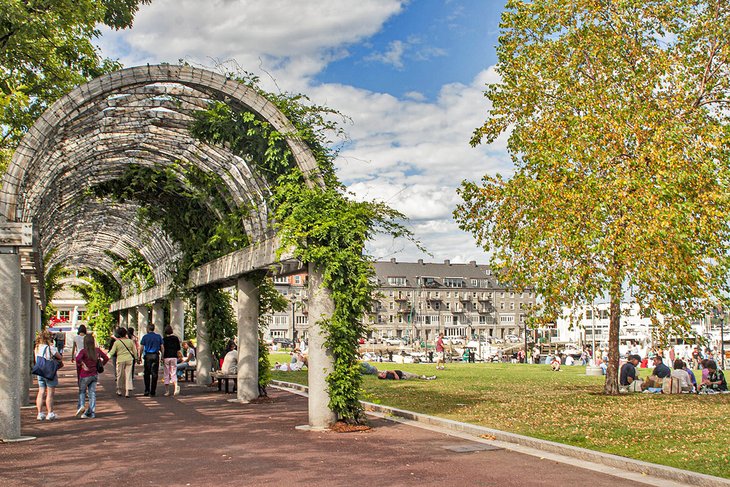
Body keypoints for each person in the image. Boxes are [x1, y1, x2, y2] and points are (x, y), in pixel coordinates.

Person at [75, 334, 109, 418]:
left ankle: (81, 407)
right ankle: (92, 412)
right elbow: (106, 358)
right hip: (94, 374)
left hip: (84, 374)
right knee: (92, 393)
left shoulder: (83, 351)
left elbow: (77, 359)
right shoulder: (97, 350)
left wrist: (83, 364)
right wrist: (101, 365)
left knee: (82, 391)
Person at [33, 330, 63, 421]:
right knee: (50, 393)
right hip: (49, 372)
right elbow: (59, 357)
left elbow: (36, 359)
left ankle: (40, 413)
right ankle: (50, 413)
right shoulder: (50, 348)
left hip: (40, 371)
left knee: (41, 391)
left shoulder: (37, 347)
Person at [107, 327, 138, 397]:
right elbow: (134, 351)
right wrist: (136, 358)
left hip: (120, 359)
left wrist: (106, 357)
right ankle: (127, 391)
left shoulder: (117, 342)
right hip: (129, 359)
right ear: (125, 333)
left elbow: (112, 352)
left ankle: (119, 390)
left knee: (120, 375)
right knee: (128, 375)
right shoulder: (130, 341)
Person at [139, 324, 163, 396]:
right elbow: (162, 347)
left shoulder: (145, 337)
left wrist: (139, 356)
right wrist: (162, 356)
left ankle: (147, 390)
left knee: (146, 373)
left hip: (148, 356)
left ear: (148, 329)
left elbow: (142, 348)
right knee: (154, 373)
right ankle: (153, 391)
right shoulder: (158, 337)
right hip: (155, 355)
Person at [161, 325, 181, 396]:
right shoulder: (176, 338)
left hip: (166, 357)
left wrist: (162, 357)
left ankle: (167, 391)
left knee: (166, 373)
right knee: (173, 372)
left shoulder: (164, 339)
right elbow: (178, 348)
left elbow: (162, 349)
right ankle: (175, 388)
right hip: (174, 357)